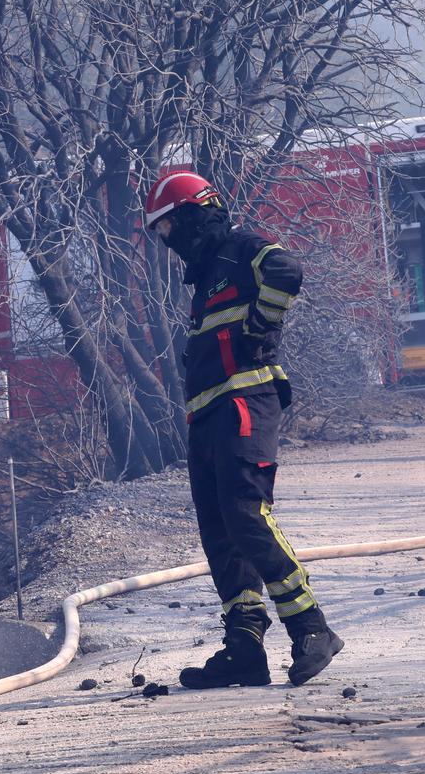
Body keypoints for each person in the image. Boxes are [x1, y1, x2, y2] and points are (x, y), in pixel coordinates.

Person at [143, 170, 343, 689]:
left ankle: (311, 628)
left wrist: (262, 323)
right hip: (207, 415)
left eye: (169, 228)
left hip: (245, 400)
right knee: (220, 531)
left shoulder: (240, 249)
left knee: (245, 512)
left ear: (192, 215)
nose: (169, 242)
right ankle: (244, 648)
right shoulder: (206, 278)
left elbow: (286, 271)